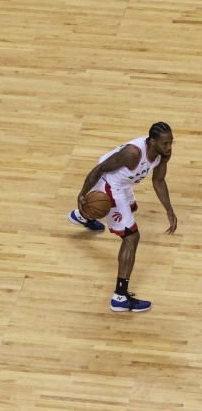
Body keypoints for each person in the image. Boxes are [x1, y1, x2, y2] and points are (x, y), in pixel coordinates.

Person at [68, 122, 177, 312]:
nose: (169, 147)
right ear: (152, 141)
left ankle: (83, 216)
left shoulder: (163, 154)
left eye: (171, 143)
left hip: (123, 184)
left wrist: (169, 210)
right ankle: (119, 297)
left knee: (132, 208)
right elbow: (99, 169)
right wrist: (83, 194)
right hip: (108, 184)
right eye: (165, 143)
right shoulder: (132, 154)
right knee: (131, 236)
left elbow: (158, 180)